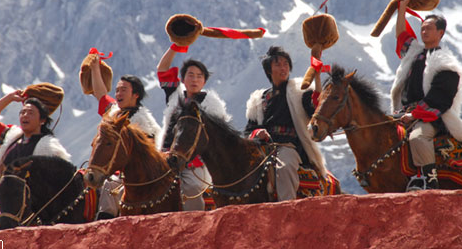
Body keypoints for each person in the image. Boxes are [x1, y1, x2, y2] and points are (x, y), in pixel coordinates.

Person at [390, 0, 462, 191]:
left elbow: (440, 100)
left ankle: (429, 180)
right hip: (405, 113)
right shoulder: (414, 54)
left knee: (418, 137)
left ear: (440, 33)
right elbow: (401, 35)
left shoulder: (446, 65)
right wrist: (401, 8)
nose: (424, 32)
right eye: (422, 28)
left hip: (433, 118)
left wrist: (414, 115)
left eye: (429, 29)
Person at [244, 46, 327, 201]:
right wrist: (257, 133)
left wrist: (317, 80)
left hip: (290, 146)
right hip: (263, 148)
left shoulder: (300, 90)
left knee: (284, 167)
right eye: (278, 65)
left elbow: (315, 110)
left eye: (286, 64)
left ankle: (286, 209)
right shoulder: (259, 99)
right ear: (269, 70)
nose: (283, 68)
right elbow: (248, 131)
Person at [157, 45, 228, 211]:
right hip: (166, 156)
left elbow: (218, 141)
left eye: (199, 76)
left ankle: (193, 226)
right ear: (183, 79)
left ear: (204, 81)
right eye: (190, 75)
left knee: (192, 189)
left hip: (198, 161)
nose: (195, 80)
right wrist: (175, 45)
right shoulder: (175, 96)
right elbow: (162, 69)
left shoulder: (212, 106)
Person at [88, 60, 161, 218]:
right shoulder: (114, 113)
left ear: (136, 95)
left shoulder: (143, 122)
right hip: (115, 172)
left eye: (123, 90)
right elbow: (101, 95)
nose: (118, 94)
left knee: (110, 186)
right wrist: (94, 68)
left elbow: (147, 157)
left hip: (137, 177)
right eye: (117, 90)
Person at [0, 89, 71, 192]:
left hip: (32, 206)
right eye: (22, 112)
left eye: (30, 113)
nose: (25, 115)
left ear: (42, 120)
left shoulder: (49, 150)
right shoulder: (11, 138)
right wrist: (10, 98)